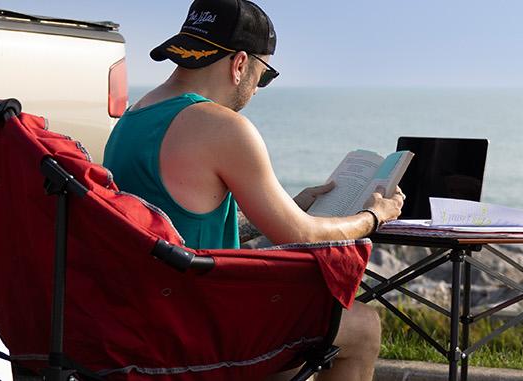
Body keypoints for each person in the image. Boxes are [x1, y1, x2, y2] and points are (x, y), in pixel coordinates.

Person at [104, 1, 401, 380]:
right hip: (195, 326)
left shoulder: (132, 118)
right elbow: (303, 235)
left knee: (289, 337)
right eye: (265, 75)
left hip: (140, 317)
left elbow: (174, 220)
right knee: (362, 326)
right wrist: (373, 216)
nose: (259, 90)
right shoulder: (220, 126)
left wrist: (290, 206)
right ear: (240, 63)